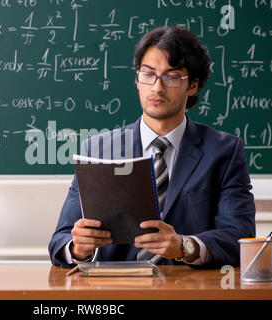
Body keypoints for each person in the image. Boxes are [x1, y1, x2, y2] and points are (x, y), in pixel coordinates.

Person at [48, 26, 256, 268]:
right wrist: (77, 248)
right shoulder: (97, 149)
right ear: (137, 80)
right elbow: (59, 242)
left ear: (192, 85)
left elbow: (240, 238)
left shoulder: (224, 152)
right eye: (148, 74)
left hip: (190, 289)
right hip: (116, 292)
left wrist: (184, 246)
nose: (157, 87)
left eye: (171, 77)